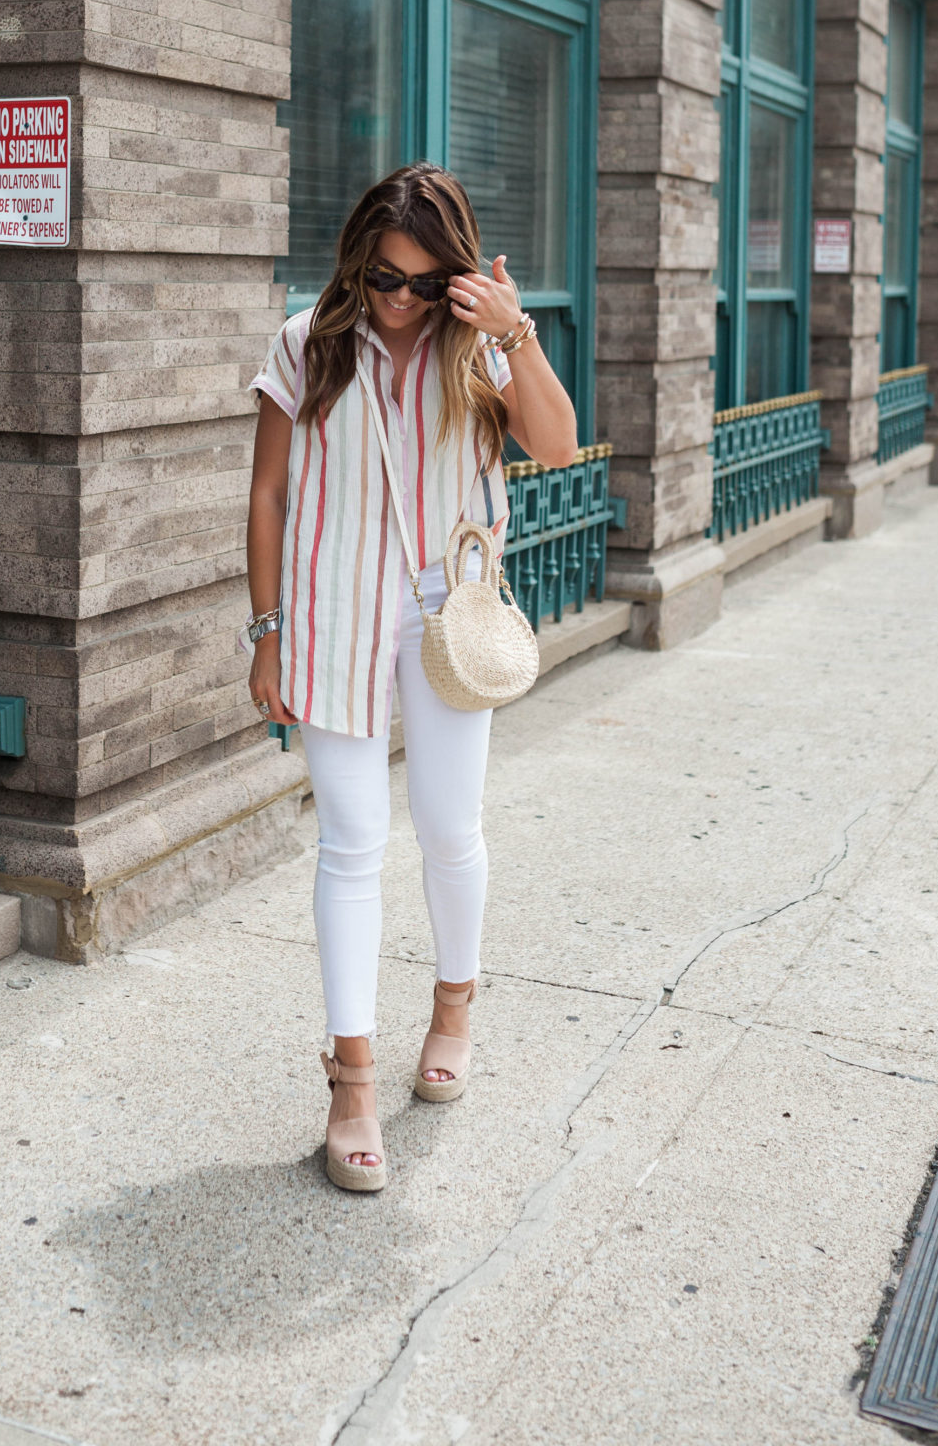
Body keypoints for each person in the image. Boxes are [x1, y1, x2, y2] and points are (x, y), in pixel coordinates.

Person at [245, 162, 578, 1191]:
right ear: (359, 261)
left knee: (447, 827)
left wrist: (511, 330)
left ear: (457, 279)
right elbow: (265, 493)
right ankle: (350, 1080)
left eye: (427, 285)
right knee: (350, 844)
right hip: (328, 616)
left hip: (445, 615)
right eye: (387, 278)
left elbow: (558, 447)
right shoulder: (308, 344)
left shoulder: (478, 347)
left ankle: (453, 1009)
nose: (402, 302)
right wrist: (264, 630)